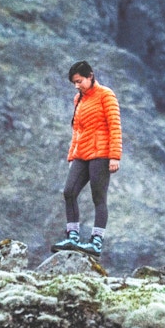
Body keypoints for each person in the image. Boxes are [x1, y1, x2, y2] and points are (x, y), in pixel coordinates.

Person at [52, 60, 121, 257]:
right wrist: (72, 156)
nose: (76, 86)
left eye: (79, 81)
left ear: (90, 76)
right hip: (81, 155)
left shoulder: (106, 95)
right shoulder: (78, 99)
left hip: (101, 154)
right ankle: (72, 237)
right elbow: (77, 130)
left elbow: (115, 126)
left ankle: (96, 242)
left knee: (98, 198)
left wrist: (114, 156)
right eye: (74, 82)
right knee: (69, 192)